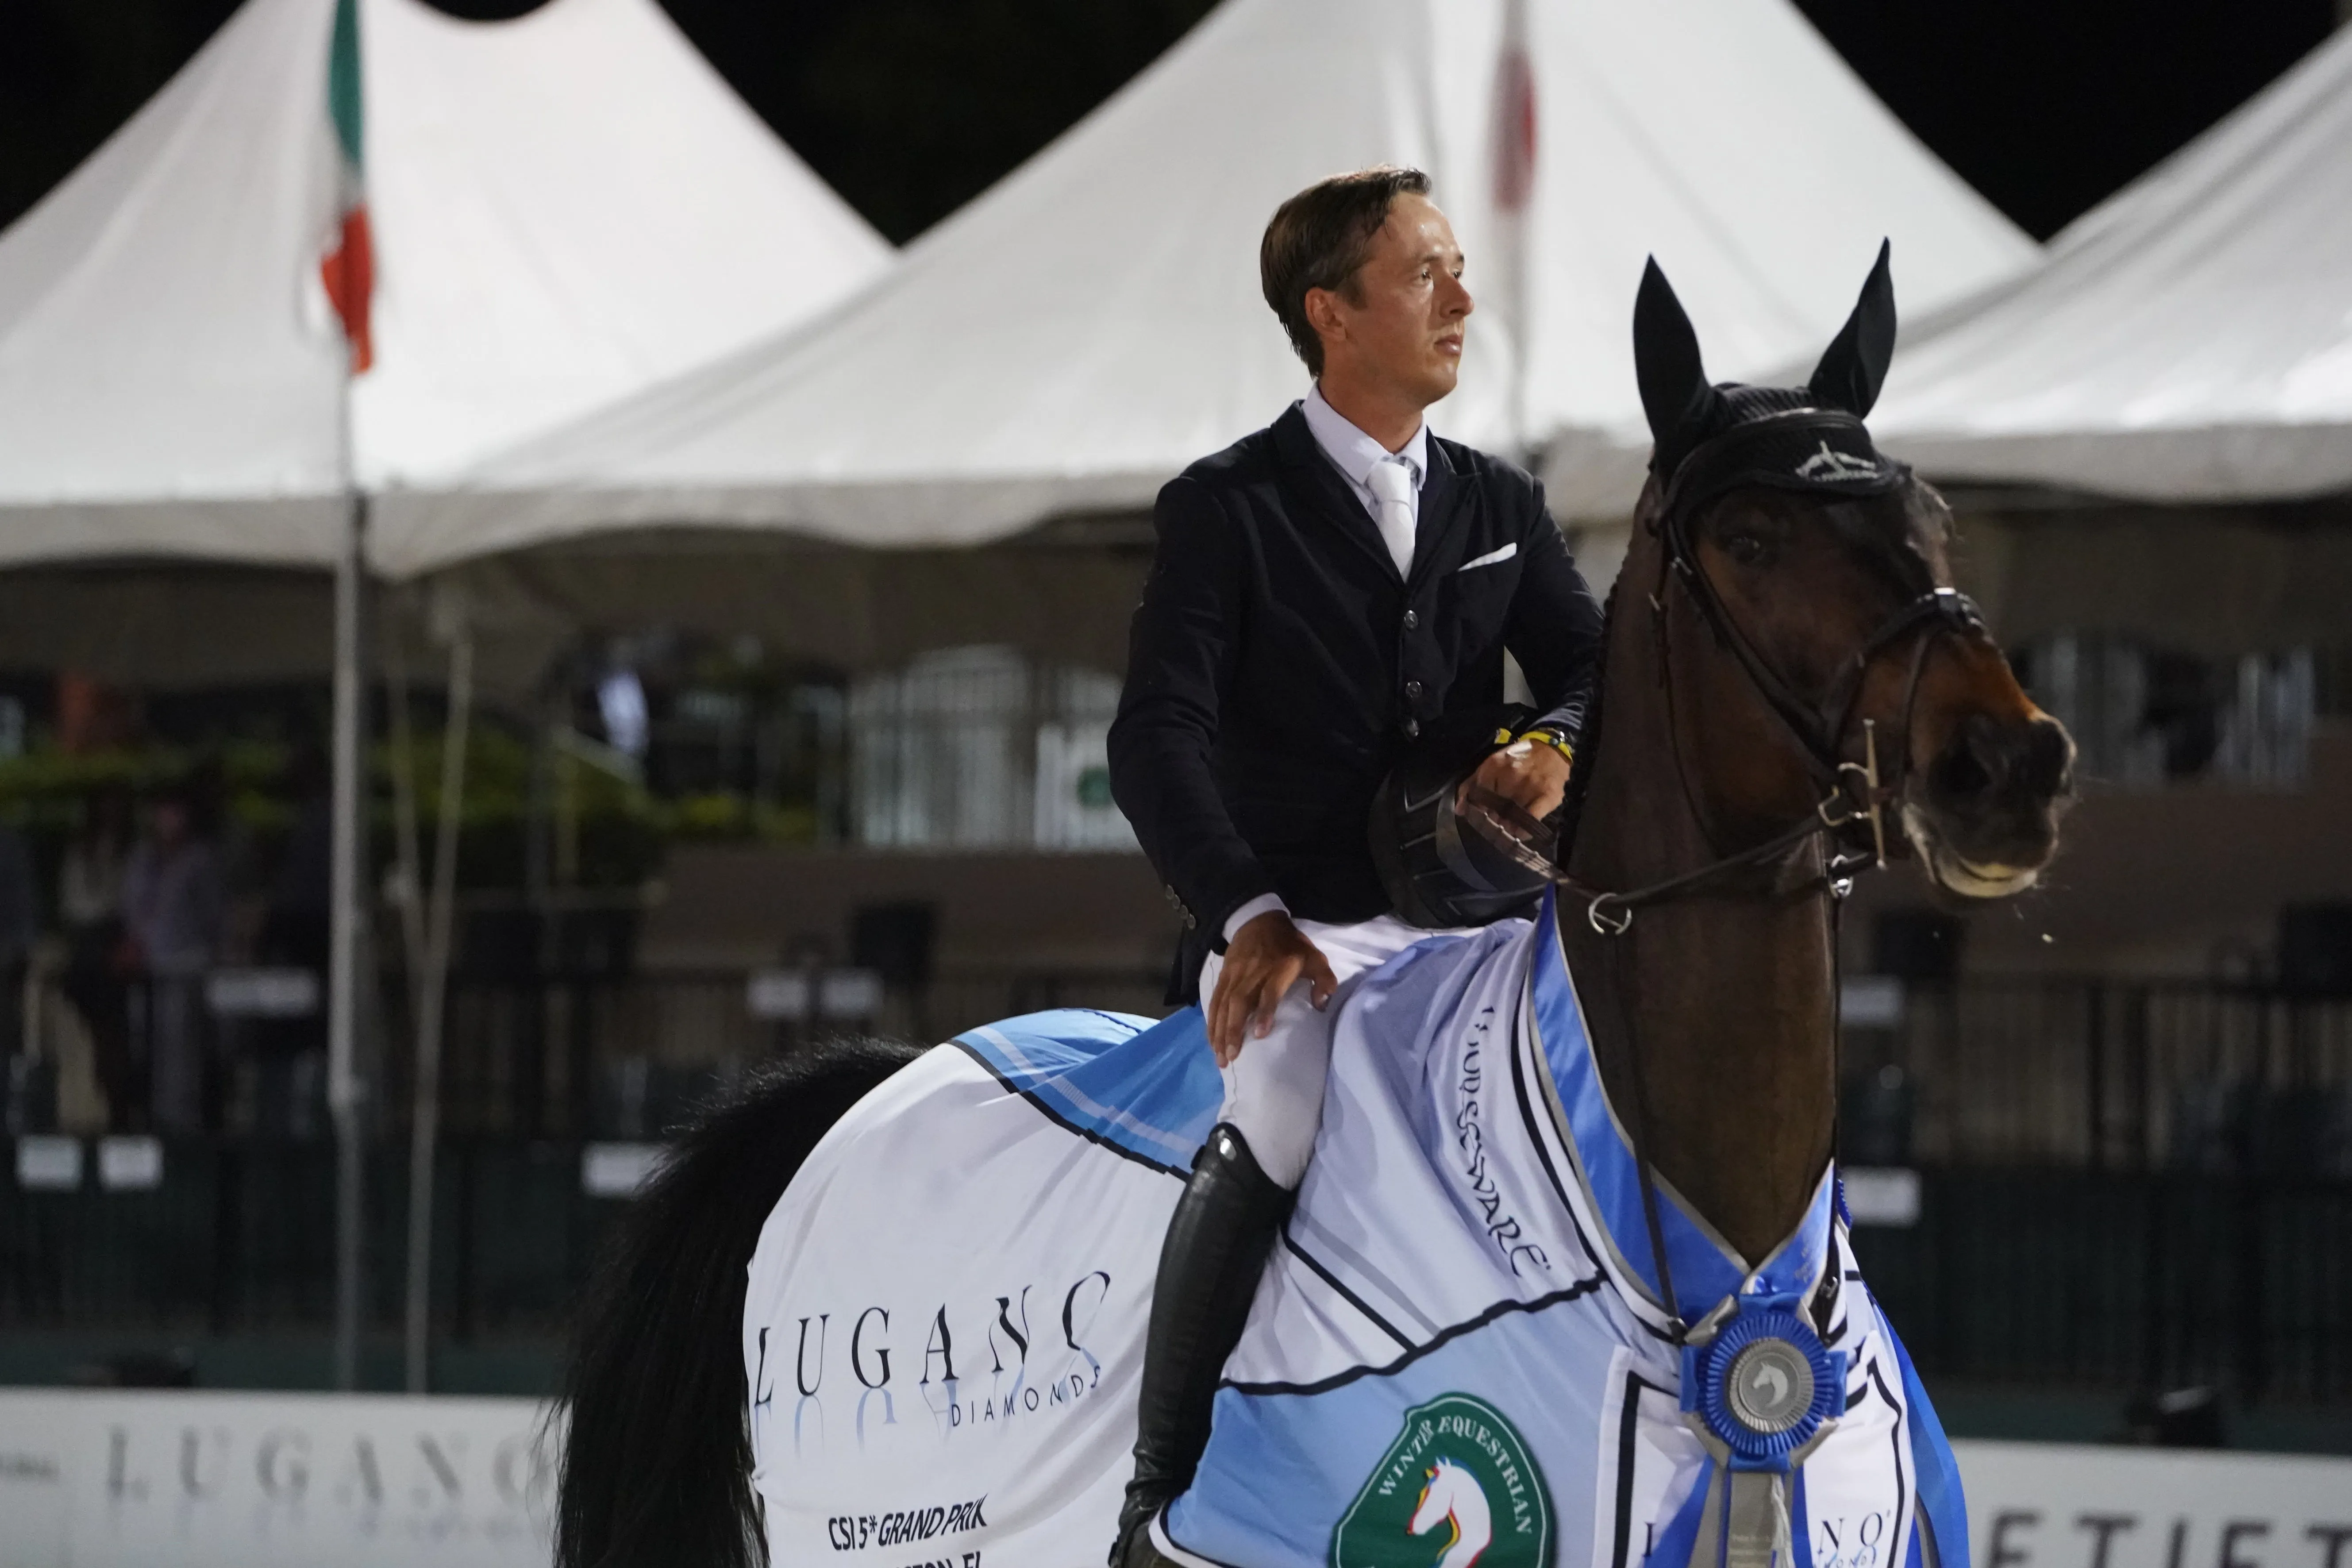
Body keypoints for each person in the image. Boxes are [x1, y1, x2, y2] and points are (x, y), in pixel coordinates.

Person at [1103, 167, 1605, 1560]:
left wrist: (1554, 740)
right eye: (1425, 272)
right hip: (1298, 923)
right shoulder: (1228, 506)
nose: (1462, 296)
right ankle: (1161, 1488)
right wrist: (1244, 913)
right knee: (1281, 1085)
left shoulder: (1497, 494)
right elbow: (1155, 733)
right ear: (1332, 313)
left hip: (1469, 926)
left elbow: (1592, 659)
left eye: (1459, 267)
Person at [119, 784, 226, 1133]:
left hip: (185, 967)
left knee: (180, 1053)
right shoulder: (141, 859)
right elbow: (131, 910)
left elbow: (213, 917)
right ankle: (142, 1116)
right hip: (145, 968)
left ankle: (179, 1124)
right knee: (141, 1046)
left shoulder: (200, 860)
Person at [59, 787, 137, 1129]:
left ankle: (120, 1107)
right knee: (94, 1039)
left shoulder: (130, 855)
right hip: (88, 953)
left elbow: (127, 902)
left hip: (116, 950)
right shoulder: (80, 853)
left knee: (116, 1038)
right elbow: (74, 903)